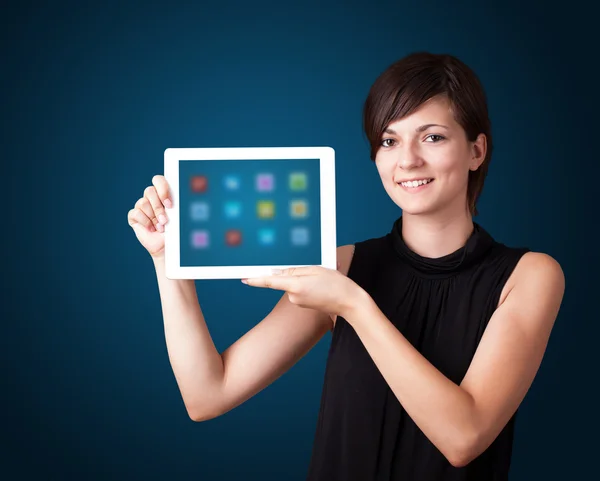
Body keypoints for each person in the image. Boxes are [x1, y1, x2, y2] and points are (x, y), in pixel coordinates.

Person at [127, 51, 565, 481]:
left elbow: (464, 438)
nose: (407, 160)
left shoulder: (529, 276)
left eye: (432, 137)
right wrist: (168, 261)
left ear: (476, 150)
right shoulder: (341, 266)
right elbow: (207, 395)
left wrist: (355, 306)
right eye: (389, 141)